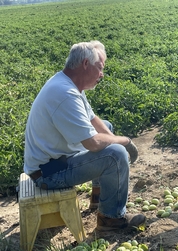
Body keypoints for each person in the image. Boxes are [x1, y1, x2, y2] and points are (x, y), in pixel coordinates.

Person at [23, 40, 146, 230]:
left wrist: (115, 139)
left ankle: (99, 197)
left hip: (56, 161)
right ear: (86, 64)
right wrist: (125, 142)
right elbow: (93, 143)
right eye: (100, 68)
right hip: (47, 174)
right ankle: (110, 219)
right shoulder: (64, 93)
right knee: (115, 156)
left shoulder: (67, 84)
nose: (101, 74)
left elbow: (93, 119)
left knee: (107, 127)